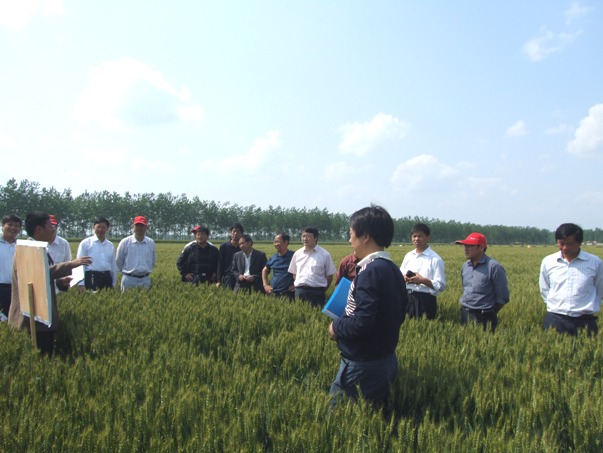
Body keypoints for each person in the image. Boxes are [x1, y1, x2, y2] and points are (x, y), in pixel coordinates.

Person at [328, 205, 407, 408]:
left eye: (351, 234)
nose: (349, 240)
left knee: (338, 419)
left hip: (361, 367)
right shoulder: (393, 270)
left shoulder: (370, 272)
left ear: (365, 237)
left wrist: (336, 327)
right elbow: (399, 314)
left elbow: (362, 322)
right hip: (385, 361)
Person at [8, 211, 91, 354]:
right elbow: (40, 273)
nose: (53, 229)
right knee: (37, 357)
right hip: (32, 319)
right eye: (50, 226)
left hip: (39, 317)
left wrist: (60, 283)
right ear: (38, 229)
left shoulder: (38, 248)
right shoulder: (28, 249)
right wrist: (71, 264)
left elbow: (43, 277)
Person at [540, 223, 603, 336]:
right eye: (561, 243)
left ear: (579, 243)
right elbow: (545, 289)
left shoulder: (595, 262)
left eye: (570, 244)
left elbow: (600, 290)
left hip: (585, 321)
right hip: (555, 320)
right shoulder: (548, 262)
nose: (565, 248)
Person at [455, 232, 509, 332]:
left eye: (470, 246)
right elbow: (466, 289)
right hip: (465, 314)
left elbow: (503, 297)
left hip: (485, 316)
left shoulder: (494, 267)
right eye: (465, 246)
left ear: (481, 247)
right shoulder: (465, 266)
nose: (466, 249)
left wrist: (489, 312)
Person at [400, 223, 446, 319]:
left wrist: (422, 280)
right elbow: (400, 275)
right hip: (407, 298)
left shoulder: (435, 259)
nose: (416, 239)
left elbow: (441, 285)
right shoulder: (408, 256)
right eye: (414, 236)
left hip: (425, 300)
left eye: (420, 236)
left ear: (428, 237)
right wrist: (404, 278)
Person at [288, 227, 336, 308]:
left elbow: (329, 276)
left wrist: (322, 290)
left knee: (316, 314)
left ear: (316, 238)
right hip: (300, 292)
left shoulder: (325, 255)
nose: (305, 239)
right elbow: (294, 273)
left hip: (317, 293)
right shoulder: (297, 254)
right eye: (303, 236)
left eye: (308, 236)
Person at [115, 215, 156, 291]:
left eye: (142, 226)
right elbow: (118, 260)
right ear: (133, 226)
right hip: (129, 279)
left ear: (146, 227)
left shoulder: (151, 242)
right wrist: (126, 273)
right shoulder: (125, 242)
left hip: (145, 279)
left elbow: (153, 261)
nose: (140, 228)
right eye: (137, 226)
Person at [76, 217, 117, 291]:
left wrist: (114, 282)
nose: (100, 230)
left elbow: (113, 265)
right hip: (92, 277)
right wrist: (81, 283)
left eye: (103, 227)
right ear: (93, 227)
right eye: (98, 227)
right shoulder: (85, 243)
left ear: (107, 229)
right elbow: (80, 264)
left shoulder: (110, 245)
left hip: (107, 277)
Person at [262, 232, 295, 299]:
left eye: (278, 242)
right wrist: (265, 285)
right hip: (273, 293)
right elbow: (265, 270)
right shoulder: (273, 258)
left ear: (286, 242)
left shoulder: (294, 256)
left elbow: (303, 271)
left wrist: (296, 285)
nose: (276, 244)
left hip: (289, 293)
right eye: (275, 242)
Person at [0, 214, 21, 320]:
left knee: (15, 320)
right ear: (2, 225)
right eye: (10, 224)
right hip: (1, 288)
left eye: (16, 225)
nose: (13, 228)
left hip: (18, 289)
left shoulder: (22, 246)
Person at [218, 223, 244, 290]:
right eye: (234, 231)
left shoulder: (244, 247)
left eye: (238, 232)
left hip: (241, 275)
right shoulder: (224, 246)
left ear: (241, 234)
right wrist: (218, 280)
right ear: (230, 233)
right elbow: (220, 264)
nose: (235, 233)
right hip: (228, 275)